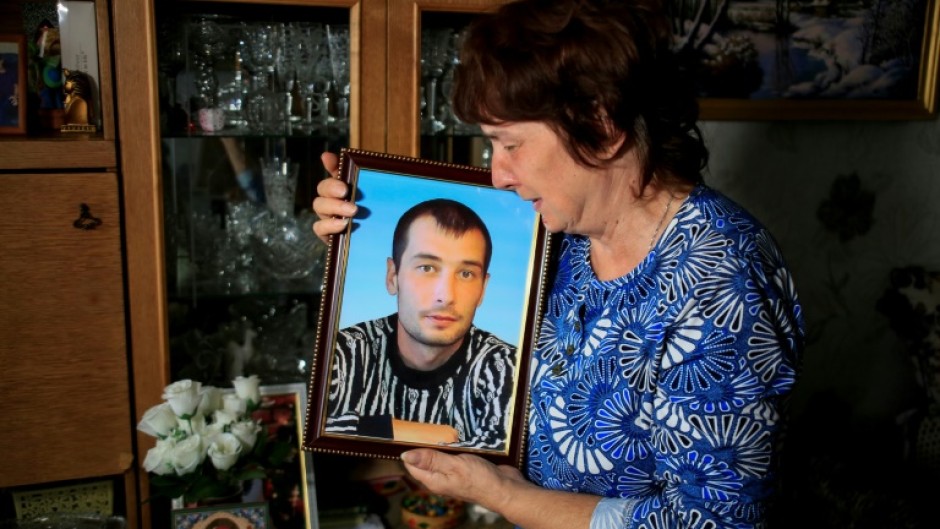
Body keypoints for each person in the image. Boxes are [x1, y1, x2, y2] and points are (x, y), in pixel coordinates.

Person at [312, 0, 805, 527]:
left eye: (510, 144)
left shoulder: (721, 280)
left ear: (600, 126)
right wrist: (354, 233)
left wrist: (507, 497)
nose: (497, 174)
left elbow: (712, 521)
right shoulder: (557, 232)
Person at [325, 198, 517, 451]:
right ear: (393, 276)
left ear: (483, 290)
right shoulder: (343, 351)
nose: (446, 295)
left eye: (466, 273)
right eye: (427, 268)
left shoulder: (506, 367)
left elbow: (500, 457)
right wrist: (441, 436)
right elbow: (313, 432)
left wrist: (367, 431)